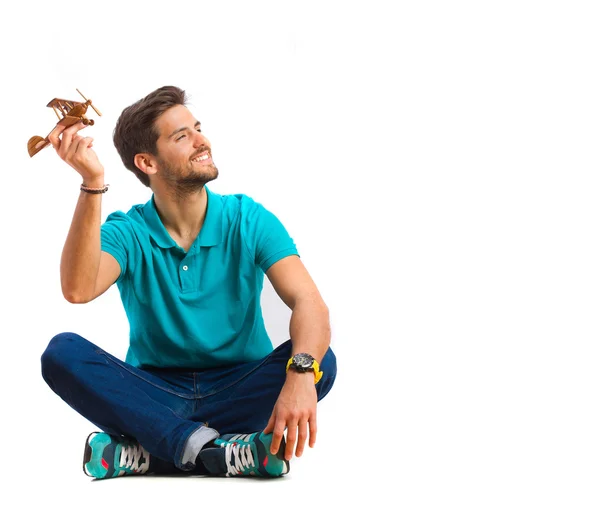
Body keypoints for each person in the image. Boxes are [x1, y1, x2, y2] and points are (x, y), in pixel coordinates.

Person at [40, 86, 336, 479]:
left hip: (239, 388)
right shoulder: (128, 231)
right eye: (182, 136)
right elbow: (78, 290)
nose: (202, 141)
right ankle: (218, 451)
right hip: (155, 394)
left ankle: (152, 451)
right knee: (62, 353)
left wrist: (300, 374)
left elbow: (309, 302)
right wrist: (92, 181)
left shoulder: (247, 218)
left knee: (320, 362)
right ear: (147, 162)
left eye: (197, 128)